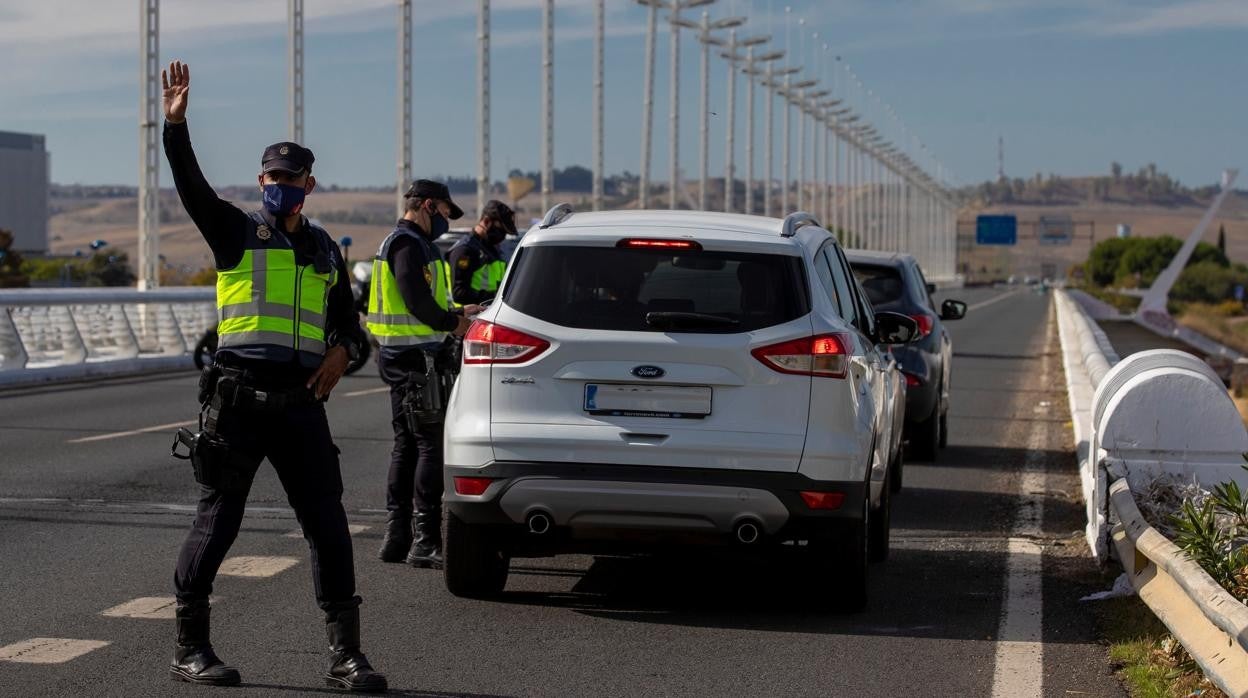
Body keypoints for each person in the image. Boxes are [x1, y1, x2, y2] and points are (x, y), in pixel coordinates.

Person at [161, 61, 385, 693]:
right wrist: (175, 126)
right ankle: (191, 646)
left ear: (308, 183)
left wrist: (343, 353)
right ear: (261, 179)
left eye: (290, 177)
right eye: (270, 175)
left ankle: (346, 657)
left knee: (328, 525)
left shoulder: (323, 250)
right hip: (236, 402)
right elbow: (189, 185)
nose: (279, 184)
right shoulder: (233, 229)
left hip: (300, 407)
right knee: (219, 520)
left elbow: (349, 326)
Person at [369, 180, 481, 568]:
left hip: (405, 354)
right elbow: (414, 298)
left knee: (408, 444)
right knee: (429, 444)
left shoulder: (411, 243)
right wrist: (454, 325)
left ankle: (397, 537)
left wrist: (457, 313)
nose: (446, 223)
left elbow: (423, 298)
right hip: (415, 358)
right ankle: (425, 539)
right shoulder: (406, 244)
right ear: (429, 206)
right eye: (446, 214)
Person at [447, 200, 515, 306]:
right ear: (486, 221)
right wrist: (493, 297)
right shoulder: (465, 250)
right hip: (470, 318)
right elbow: (459, 294)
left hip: (490, 314)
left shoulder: (492, 250)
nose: (502, 236)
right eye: (500, 230)